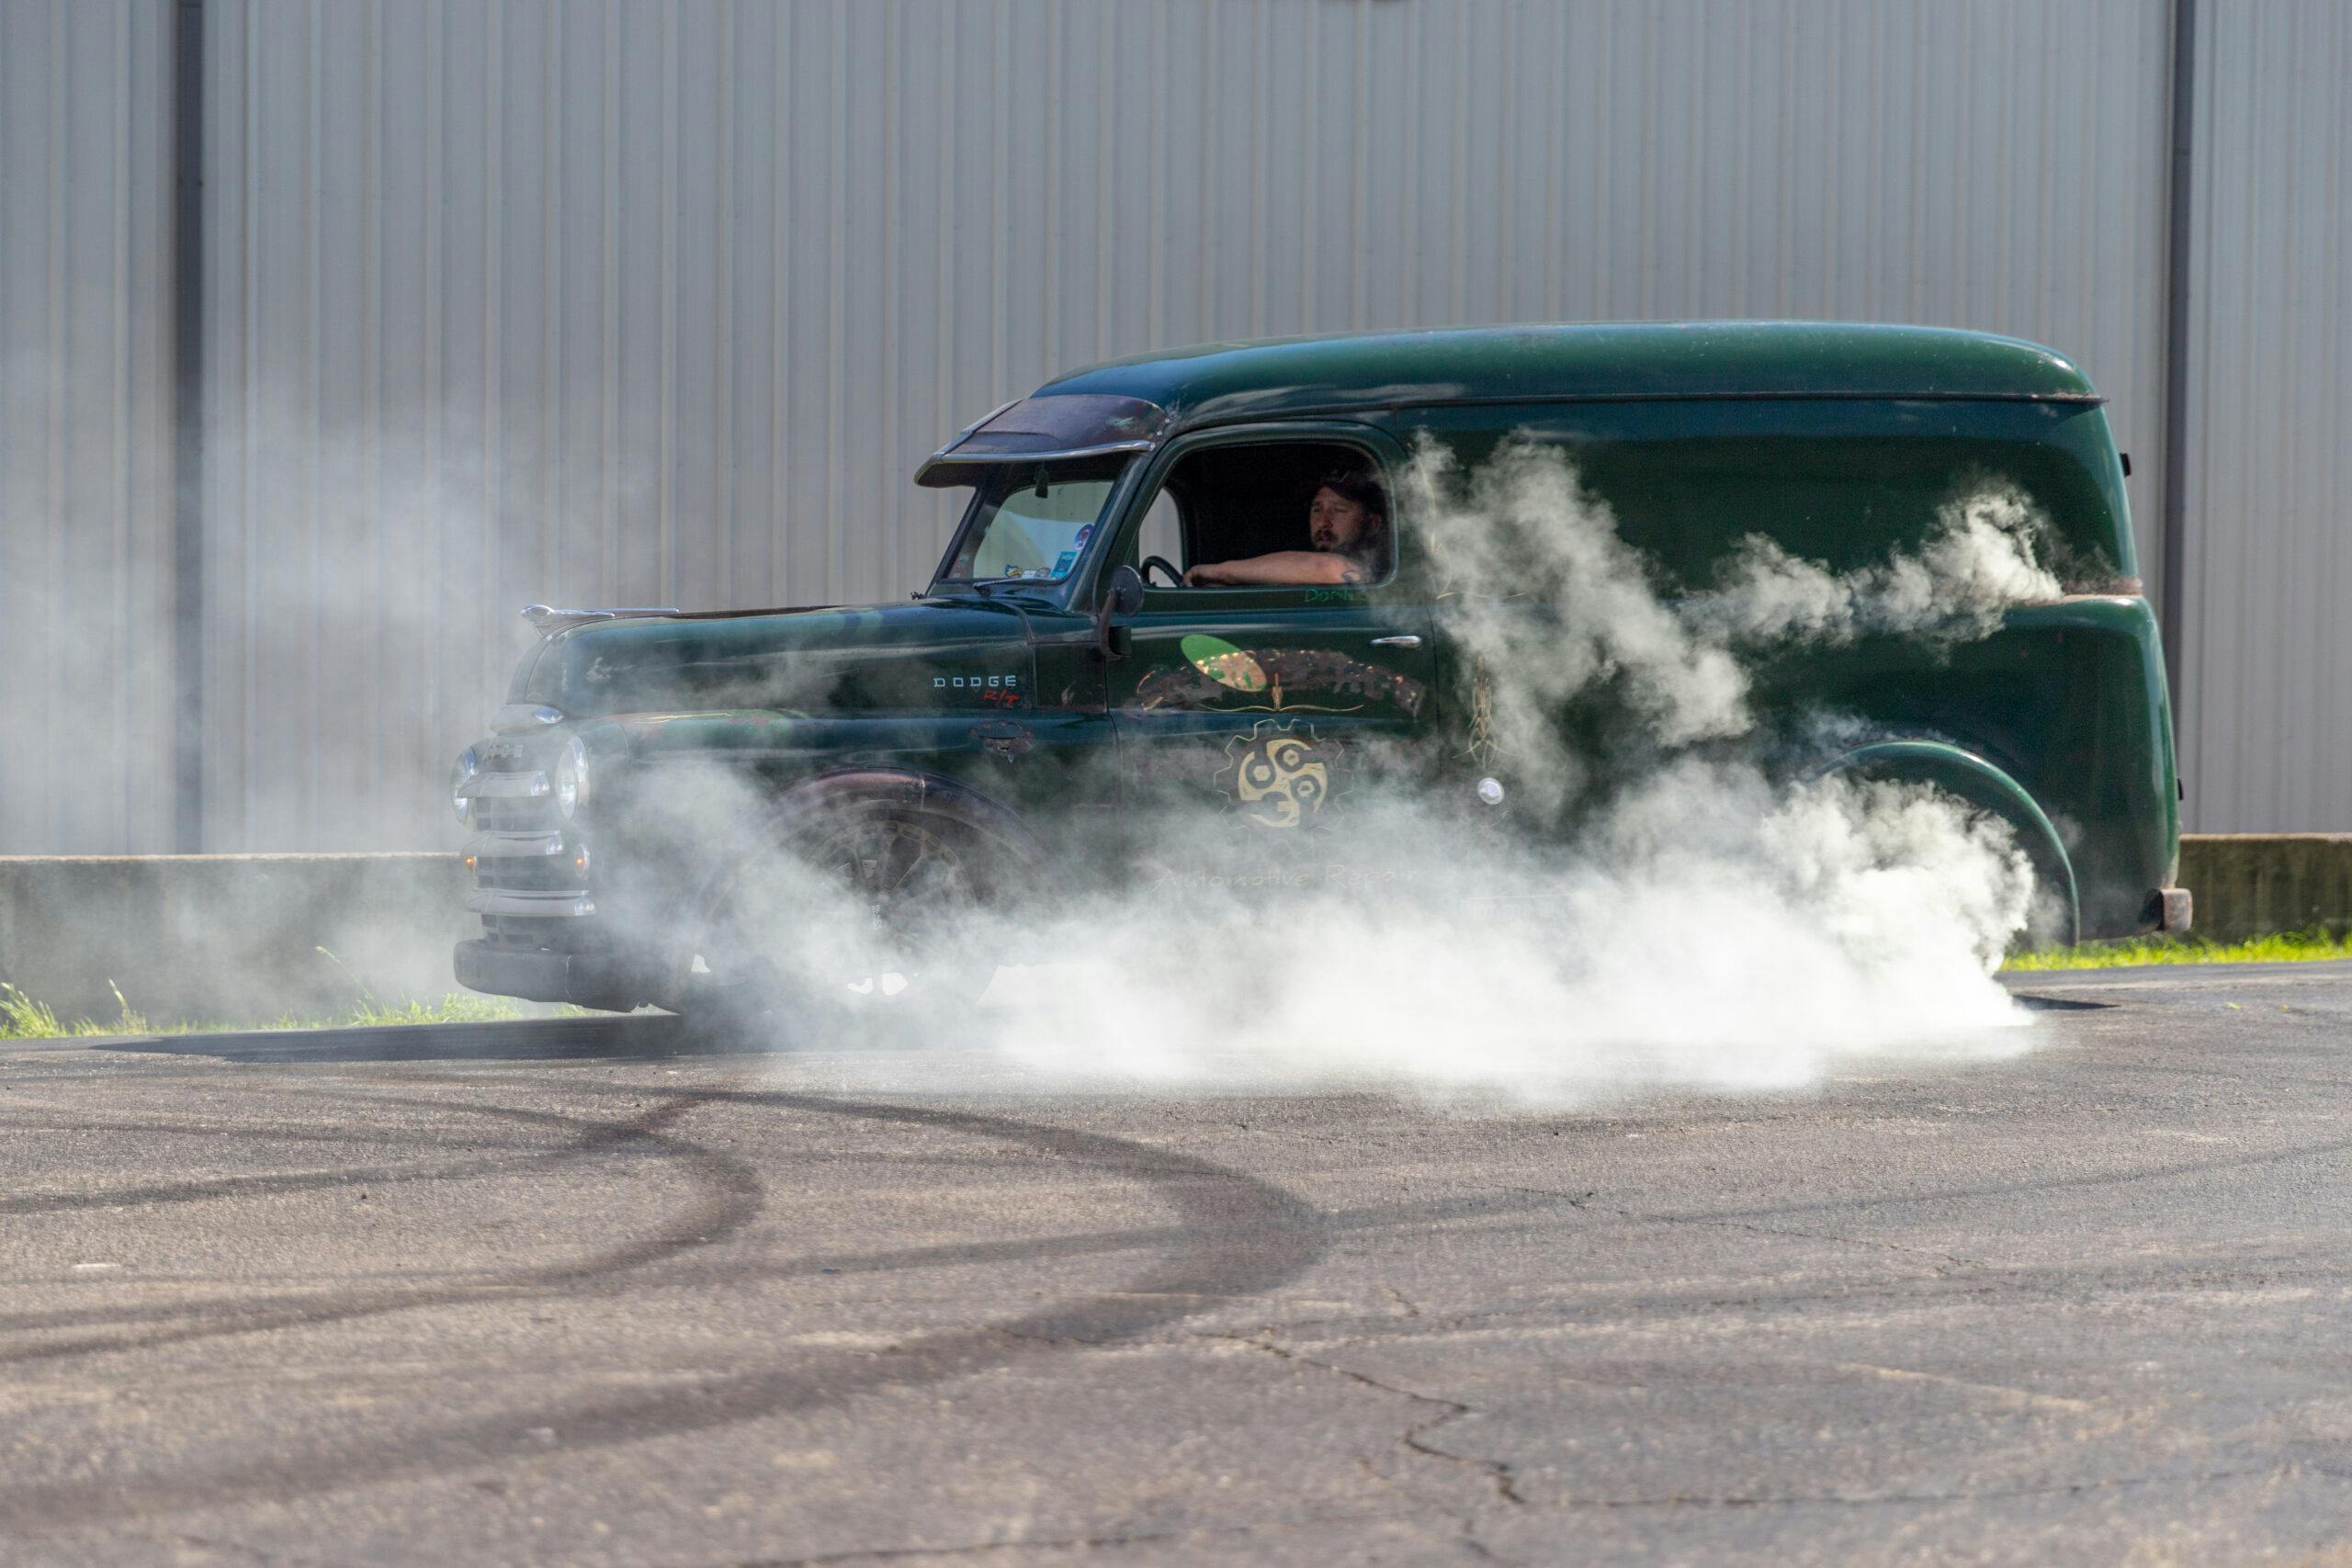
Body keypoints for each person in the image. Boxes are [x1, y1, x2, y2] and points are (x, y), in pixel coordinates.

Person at [1183, 468, 1389, 586]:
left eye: (1339, 509)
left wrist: (1218, 571)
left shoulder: (1377, 569)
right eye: (1317, 509)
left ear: (1372, 524)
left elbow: (1326, 567)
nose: (1323, 521)